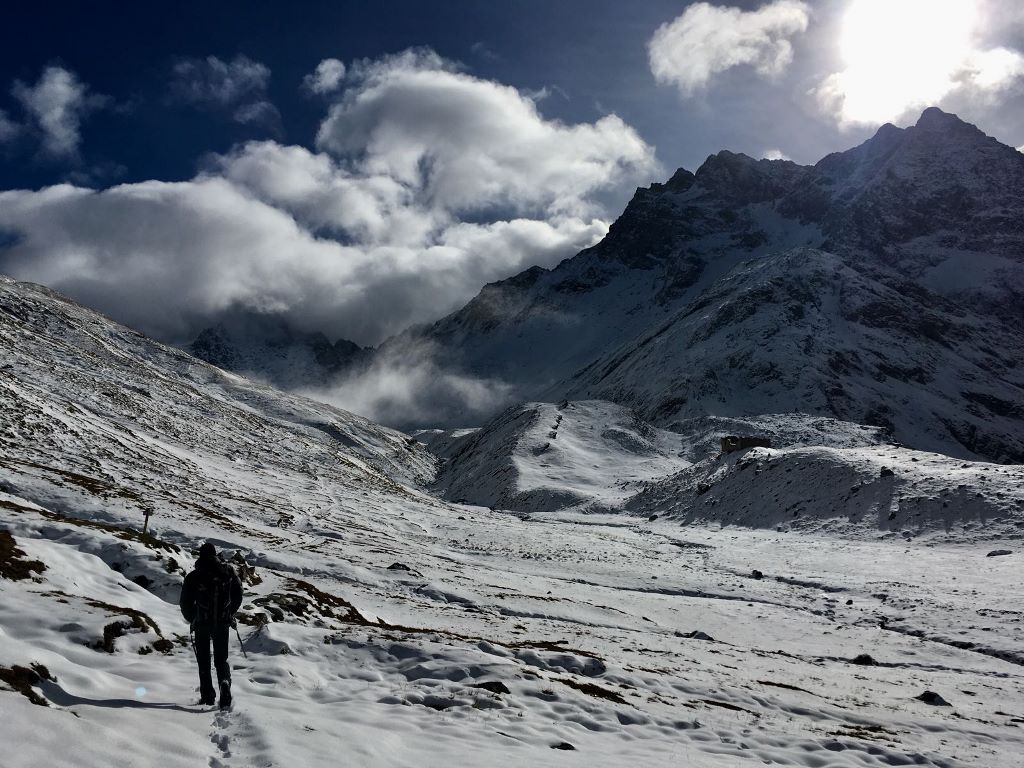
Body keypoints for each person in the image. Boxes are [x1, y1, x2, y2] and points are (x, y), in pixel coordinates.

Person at [179, 542, 243, 709]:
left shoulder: (193, 576)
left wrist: (192, 617)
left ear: (200, 555)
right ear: (215, 554)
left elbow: (184, 602)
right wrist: (230, 613)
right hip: (222, 623)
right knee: (221, 659)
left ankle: (208, 696)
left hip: (201, 624)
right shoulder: (228, 572)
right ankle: (224, 682)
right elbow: (238, 594)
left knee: (204, 661)